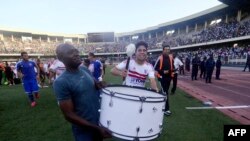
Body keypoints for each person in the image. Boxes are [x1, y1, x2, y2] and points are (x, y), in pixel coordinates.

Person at [53, 43, 111, 141]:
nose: (76, 54)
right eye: (71, 52)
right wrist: (96, 128)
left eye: (76, 51)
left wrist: (100, 85)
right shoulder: (61, 82)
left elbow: (95, 84)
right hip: (84, 131)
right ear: (61, 58)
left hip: (99, 122)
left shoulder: (84, 69)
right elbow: (69, 115)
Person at [154, 43, 174, 116]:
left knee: (164, 92)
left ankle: (159, 99)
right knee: (165, 93)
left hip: (169, 78)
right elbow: (155, 69)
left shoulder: (171, 58)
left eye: (168, 49)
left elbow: (172, 67)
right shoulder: (160, 58)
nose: (167, 51)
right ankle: (166, 109)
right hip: (161, 78)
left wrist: (172, 75)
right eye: (166, 49)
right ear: (163, 50)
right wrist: (162, 71)